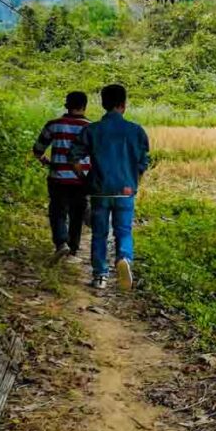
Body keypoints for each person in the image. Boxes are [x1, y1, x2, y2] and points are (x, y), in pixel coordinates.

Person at [70, 84, 150, 291]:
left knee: (100, 232)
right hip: (125, 190)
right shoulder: (136, 131)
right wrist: (134, 182)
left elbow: (74, 157)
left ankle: (100, 276)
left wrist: (84, 177)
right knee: (124, 230)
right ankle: (124, 258)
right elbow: (143, 163)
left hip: (100, 189)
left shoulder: (92, 130)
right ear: (123, 105)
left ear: (103, 104)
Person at [32, 91, 91, 263]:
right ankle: (72, 251)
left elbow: (38, 148)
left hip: (57, 177)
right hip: (81, 178)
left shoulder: (54, 124)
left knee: (58, 211)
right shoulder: (91, 127)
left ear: (67, 105)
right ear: (84, 106)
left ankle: (61, 244)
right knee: (77, 213)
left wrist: (43, 159)